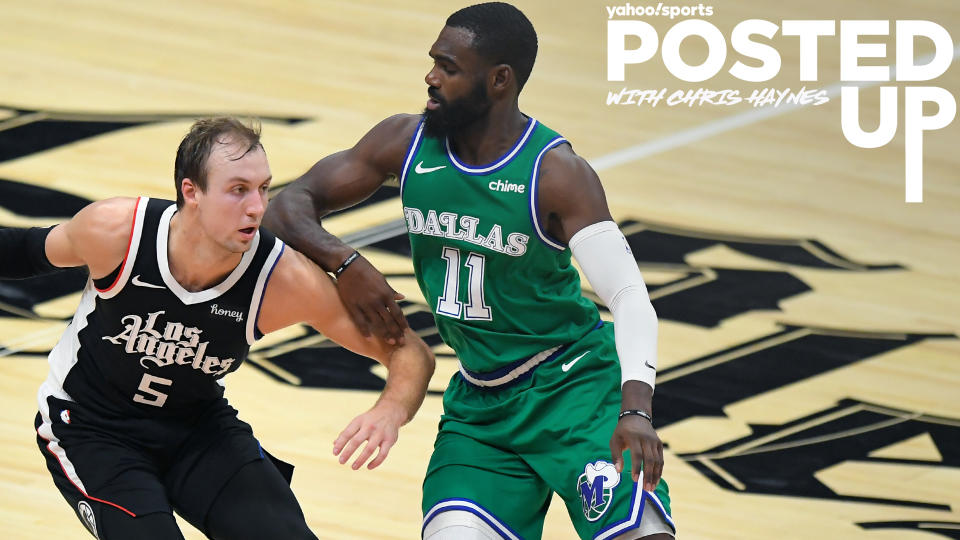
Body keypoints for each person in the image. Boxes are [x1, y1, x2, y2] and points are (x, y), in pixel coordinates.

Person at [263, 3, 675, 539]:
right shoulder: (405, 141)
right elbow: (286, 204)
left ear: (499, 80)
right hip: (482, 404)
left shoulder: (556, 173)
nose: (431, 77)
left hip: (575, 391)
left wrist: (637, 410)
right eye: (434, 62)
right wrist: (345, 262)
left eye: (449, 68)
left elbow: (629, 297)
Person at [0, 117, 435, 539]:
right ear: (192, 192)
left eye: (263, 189)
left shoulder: (284, 279)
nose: (257, 207)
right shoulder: (118, 231)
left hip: (195, 429)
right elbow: (22, 252)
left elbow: (409, 352)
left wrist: (389, 412)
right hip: (92, 428)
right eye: (238, 191)